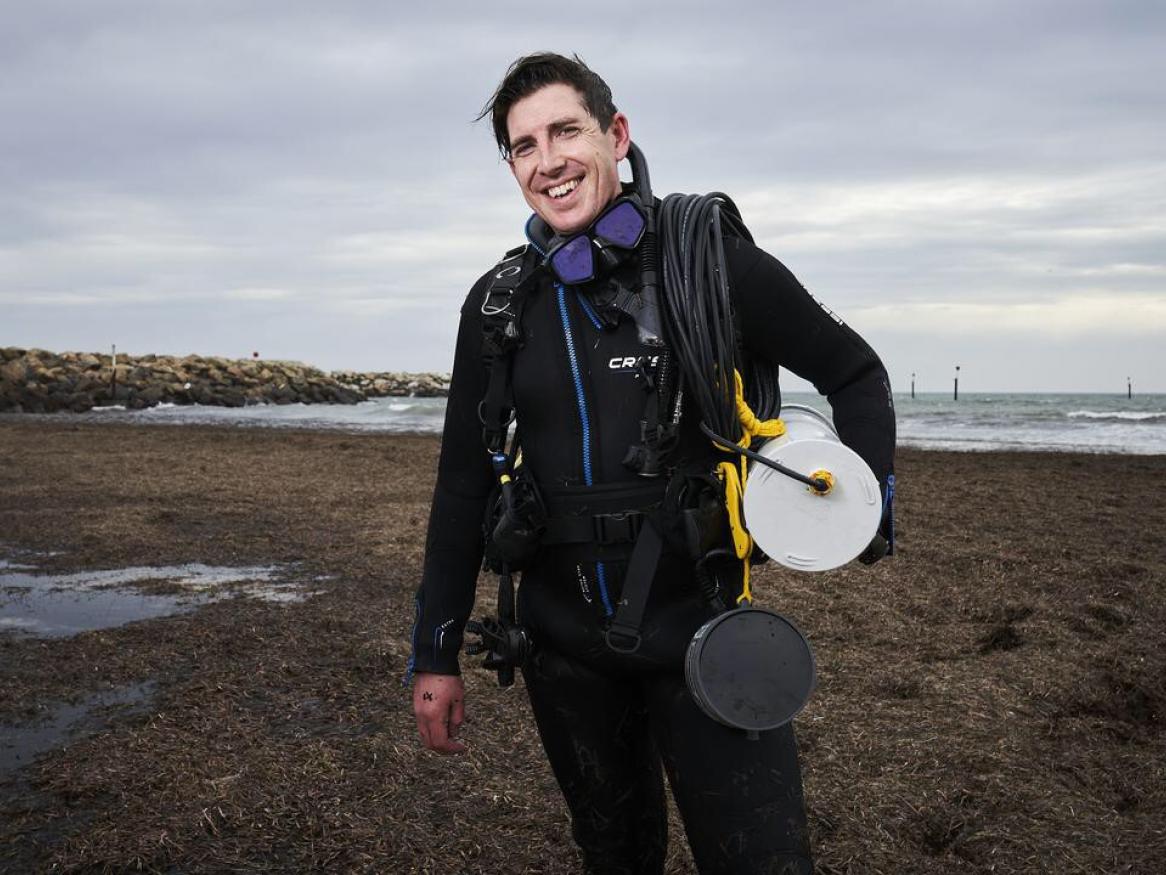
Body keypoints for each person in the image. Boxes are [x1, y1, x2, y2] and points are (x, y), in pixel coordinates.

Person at [409, 53, 895, 874]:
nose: (548, 160)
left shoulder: (708, 261)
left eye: (566, 131)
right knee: (615, 855)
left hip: (707, 633)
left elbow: (855, 372)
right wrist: (435, 654)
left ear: (617, 133)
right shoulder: (500, 303)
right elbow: (462, 484)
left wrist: (864, 505)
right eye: (524, 146)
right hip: (563, 648)